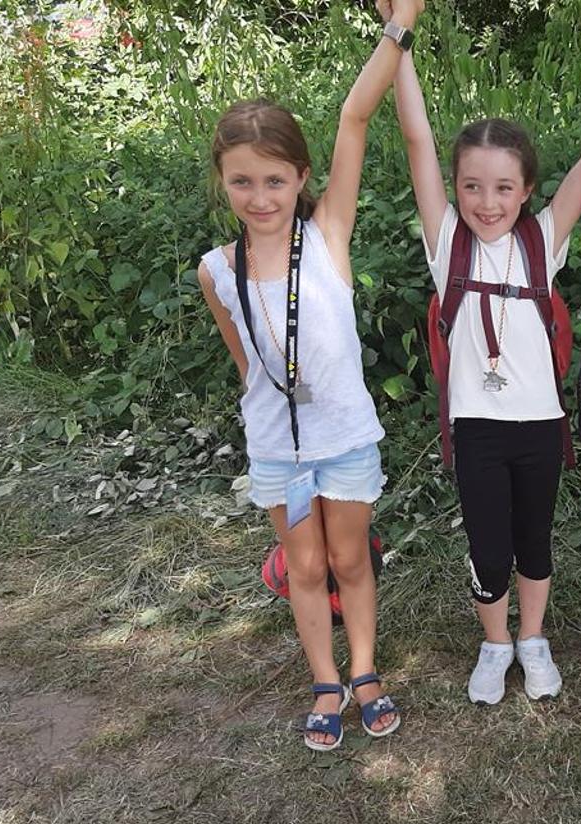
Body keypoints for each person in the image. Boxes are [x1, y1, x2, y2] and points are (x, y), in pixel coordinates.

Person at [391, 13, 581, 705]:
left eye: (504, 187)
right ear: (455, 188)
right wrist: (399, 36)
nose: (487, 202)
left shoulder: (542, 240)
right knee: (488, 547)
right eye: (472, 186)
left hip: (540, 423)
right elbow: (417, 139)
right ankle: (494, 644)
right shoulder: (446, 241)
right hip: (476, 426)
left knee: (535, 542)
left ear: (528, 190)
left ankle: (532, 640)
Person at [196, 0, 424, 750]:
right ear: (222, 183)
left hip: (345, 439)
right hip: (278, 450)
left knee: (350, 559)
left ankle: (365, 671)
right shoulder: (216, 270)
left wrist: (400, 24)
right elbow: (248, 362)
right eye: (241, 182)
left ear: (301, 177)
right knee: (305, 565)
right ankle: (325, 681)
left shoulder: (328, 235)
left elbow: (355, 117)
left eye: (274, 180)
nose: (259, 198)